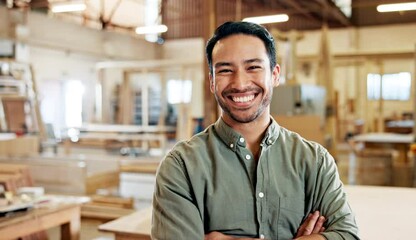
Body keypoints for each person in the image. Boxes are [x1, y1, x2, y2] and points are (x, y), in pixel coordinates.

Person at [152, 21, 359, 240]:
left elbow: (347, 235)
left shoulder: (315, 161)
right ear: (212, 81)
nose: (240, 83)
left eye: (253, 67)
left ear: (275, 75)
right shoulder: (181, 166)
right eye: (225, 70)